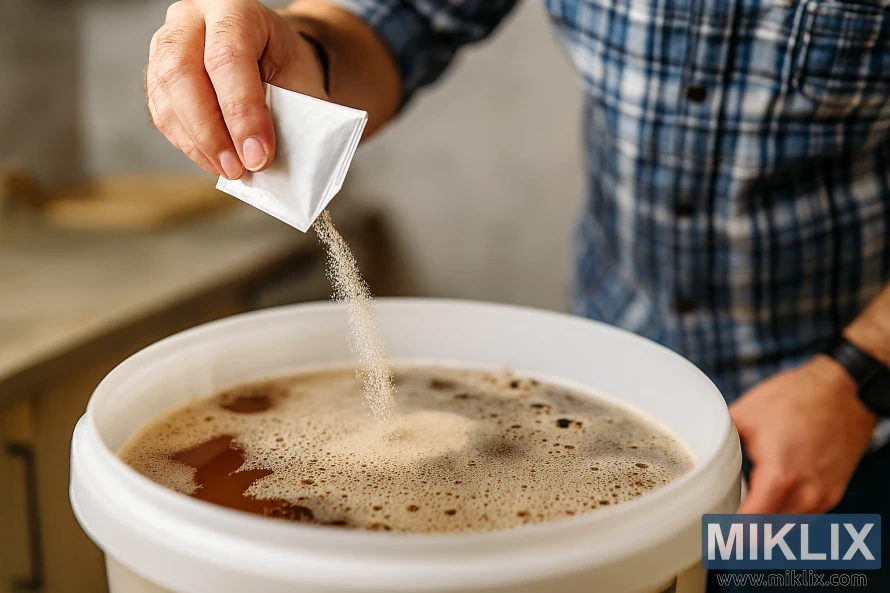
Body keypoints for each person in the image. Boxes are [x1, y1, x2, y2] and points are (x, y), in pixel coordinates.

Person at [145, 1, 889, 590]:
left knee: (794, 578)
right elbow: (395, 21)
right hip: (614, 415)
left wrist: (855, 376)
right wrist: (300, 53)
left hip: (842, 432)